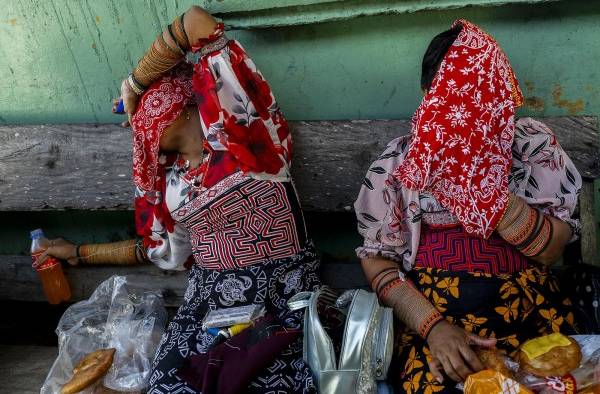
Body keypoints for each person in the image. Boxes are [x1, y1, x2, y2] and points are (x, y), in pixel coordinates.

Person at [39, 6, 319, 393]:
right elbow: (157, 250)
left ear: (184, 103)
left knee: (263, 382)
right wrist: (79, 253)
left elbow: (195, 22)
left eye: (149, 109)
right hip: (207, 307)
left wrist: (134, 84)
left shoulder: (243, 132)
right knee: (171, 384)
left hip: (278, 294)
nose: (138, 125)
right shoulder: (171, 183)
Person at [354, 19, 582, 392]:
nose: (465, 110)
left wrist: (487, 192)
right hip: (442, 327)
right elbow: (378, 260)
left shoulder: (528, 148)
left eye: (477, 94)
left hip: (531, 318)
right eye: (451, 95)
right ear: (427, 95)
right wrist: (434, 328)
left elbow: (551, 250)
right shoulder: (398, 163)